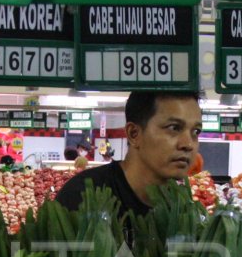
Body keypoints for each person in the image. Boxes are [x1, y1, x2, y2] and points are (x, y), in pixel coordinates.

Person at [55, 90, 201, 218]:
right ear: (134, 134)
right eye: (174, 128)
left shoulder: (183, 210)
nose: (188, 144)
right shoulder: (81, 197)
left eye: (196, 131)